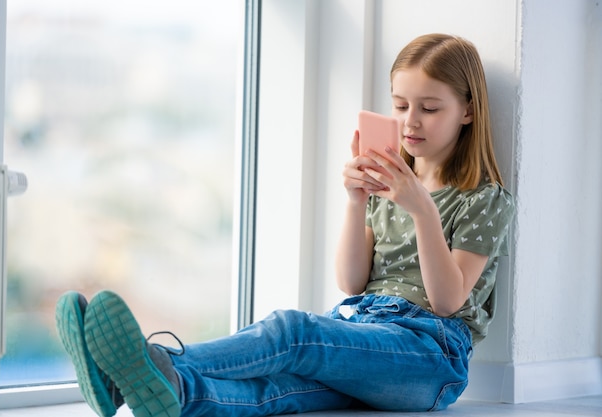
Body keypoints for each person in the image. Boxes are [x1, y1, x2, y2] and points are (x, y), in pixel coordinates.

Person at [55, 33, 515, 417]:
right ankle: (167, 390)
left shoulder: (483, 198)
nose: (410, 121)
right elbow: (352, 281)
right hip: (364, 329)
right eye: (399, 105)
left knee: (291, 332)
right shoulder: (391, 184)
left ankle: (158, 361)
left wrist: (422, 211)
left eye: (429, 108)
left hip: (429, 358)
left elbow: (449, 300)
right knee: (278, 389)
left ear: (468, 111)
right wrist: (355, 203)